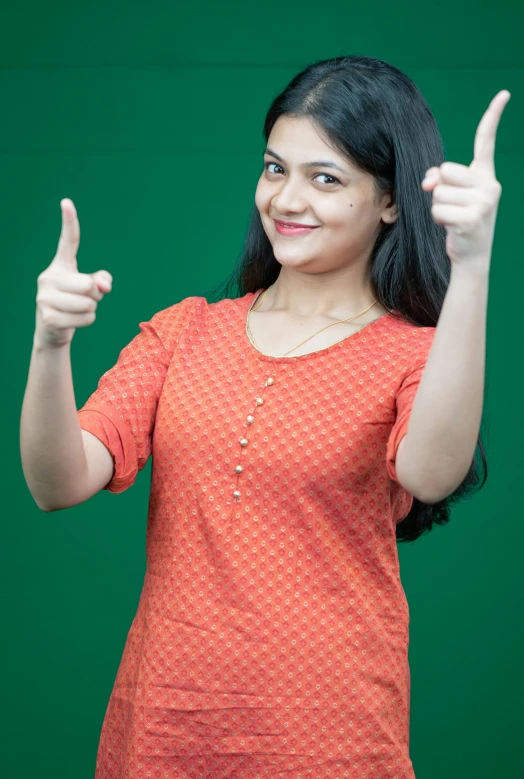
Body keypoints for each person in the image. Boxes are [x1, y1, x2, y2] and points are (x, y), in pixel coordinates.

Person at [20, 54, 509, 778]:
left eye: (326, 178)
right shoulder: (185, 331)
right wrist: (50, 344)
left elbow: (432, 473)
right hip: (164, 727)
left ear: (391, 201)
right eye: (275, 168)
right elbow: (57, 482)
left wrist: (471, 265)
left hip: (332, 738)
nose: (286, 198)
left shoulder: (416, 356)